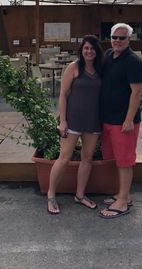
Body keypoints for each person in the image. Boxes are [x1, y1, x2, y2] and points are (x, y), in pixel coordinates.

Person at [46, 35, 104, 215]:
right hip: (73, 120)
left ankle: (80, 195)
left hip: (94, 121)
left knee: (87, 158)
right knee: (64, 158)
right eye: (86, 48)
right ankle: (51, 195)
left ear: (97, 51)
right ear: (82, 50)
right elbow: (63, 95)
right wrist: (62, 121)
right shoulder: (73, 67)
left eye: (92, 48)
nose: (89, 51)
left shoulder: (101, 69)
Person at [99, 23, 142, 219]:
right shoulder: (108, 55)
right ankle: (121, 194)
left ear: (129, 40)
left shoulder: (133, 61)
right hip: (108, 118)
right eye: (114, 37)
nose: (117, 41)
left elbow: (136, 92)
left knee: (125, 161)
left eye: (121, 38)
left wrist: (128, 120)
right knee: (115, 159)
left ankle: (123, 202)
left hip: (123, 122)